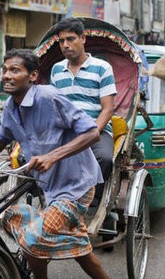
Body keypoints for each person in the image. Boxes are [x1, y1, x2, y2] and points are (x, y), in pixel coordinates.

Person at [0, 49, 127, 279]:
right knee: (9, 218)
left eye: (15, 70)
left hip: (76, 183)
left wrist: (53, 156)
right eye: (5, 69)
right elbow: (3, 135)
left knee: (36, 236)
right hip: (49, 186)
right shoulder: (10, 105)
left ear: (32, 76)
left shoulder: (50, 97)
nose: (7, 75)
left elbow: (91, 132)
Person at [49, 18, 116, 203]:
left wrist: (91, 132)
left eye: (71, 39)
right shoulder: (56, 70)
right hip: (66, 131)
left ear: (83, 38)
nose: (65, 45)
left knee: (104, 158)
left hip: (96, 130)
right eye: (61, 41)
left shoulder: (102, 68)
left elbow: (108, 109)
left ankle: (92, 201)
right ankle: (55, 200)